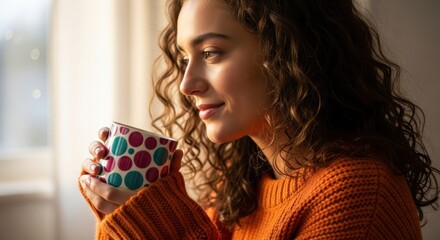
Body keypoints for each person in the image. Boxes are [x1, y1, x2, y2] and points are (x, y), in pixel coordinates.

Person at [79, 0, 440, 239]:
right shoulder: (240, 194)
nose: (187, 84)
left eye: (211, 53)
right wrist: (125, 218)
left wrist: (161, 226)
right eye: (184, 58)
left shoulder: (356, 195)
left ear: (286, 49)